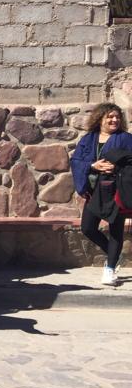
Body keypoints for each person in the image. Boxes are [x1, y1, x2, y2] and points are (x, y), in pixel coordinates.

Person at [72, 102, 132, 286]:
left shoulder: (126, 139)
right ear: (100, 119)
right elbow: (76, 160)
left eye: (117, 117)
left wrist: (118, 166)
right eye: (110, 117)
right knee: (87, 227)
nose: (114, 120)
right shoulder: (88, 139)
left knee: (116, 231)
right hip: (94, 191)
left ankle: (110, 269)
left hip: (117, 190)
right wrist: (93, 165)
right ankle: (115, 255)